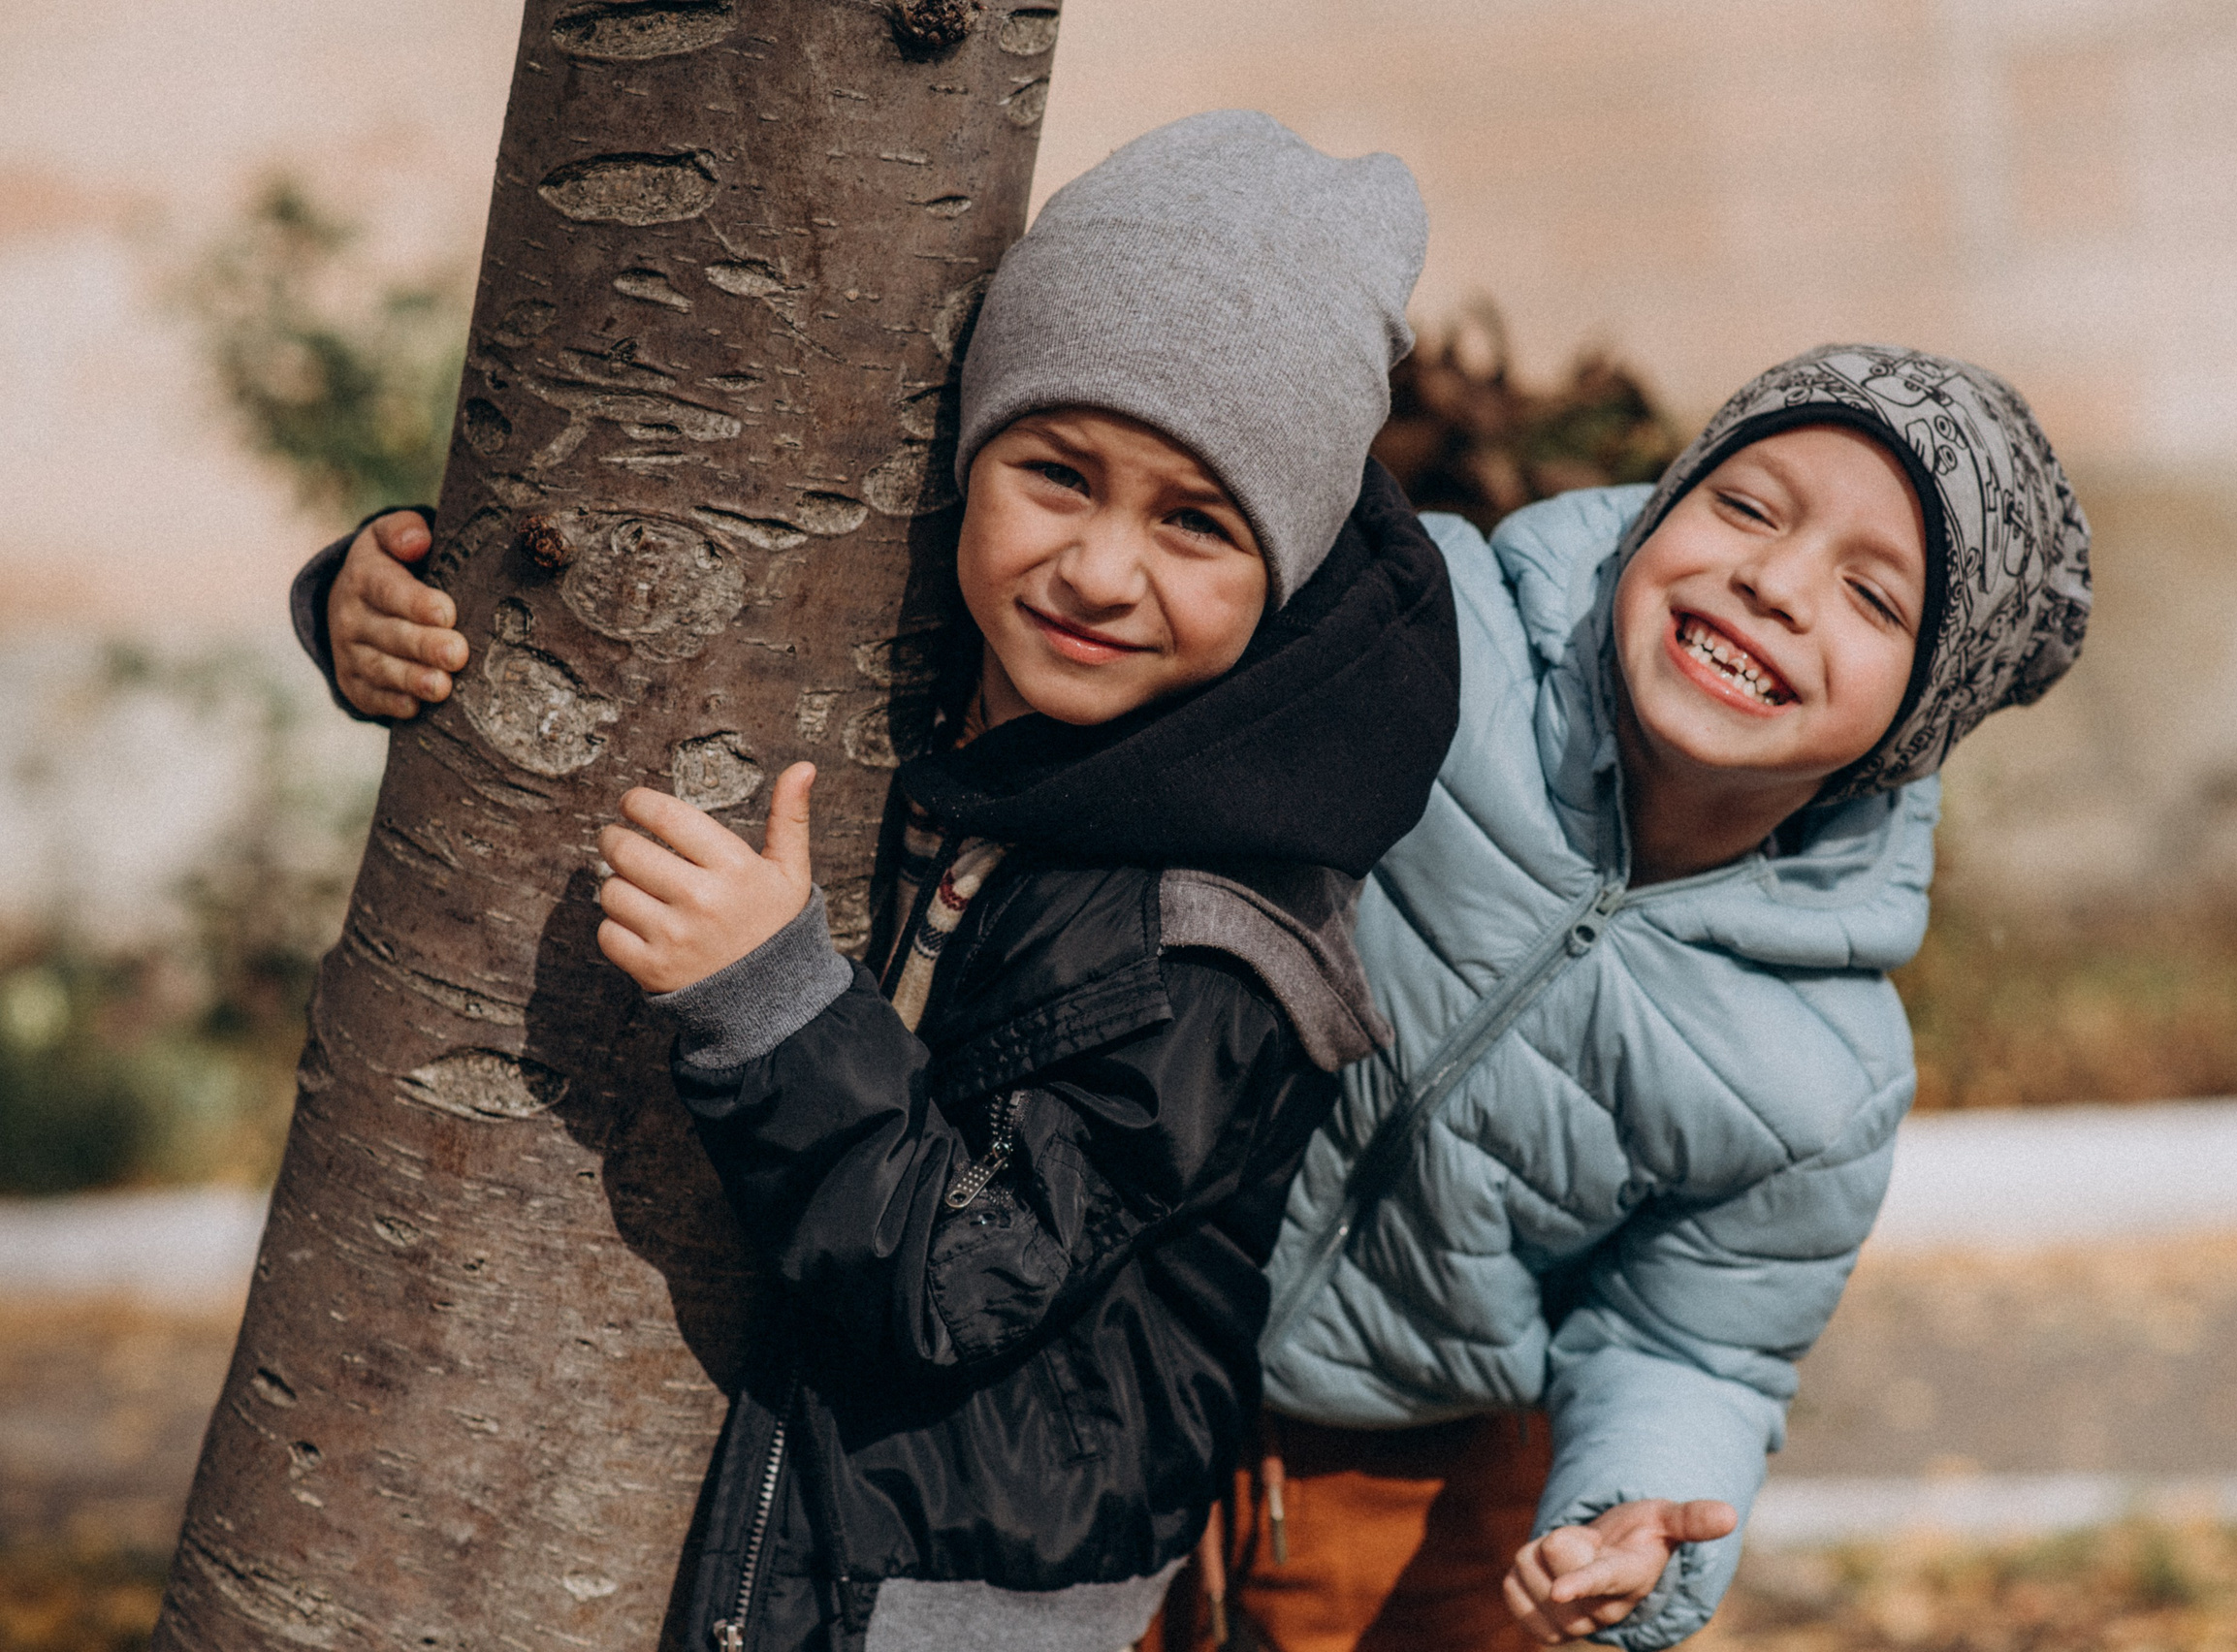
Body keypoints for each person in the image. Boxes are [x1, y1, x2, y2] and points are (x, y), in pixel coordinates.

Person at [289, 111, 1456, 1652]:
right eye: (1056, 474)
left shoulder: (1210, 941)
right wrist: (367, 604)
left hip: (953, 1600)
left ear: (1289, 562)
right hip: (807, 1527)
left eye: (1195, 523)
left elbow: (959, 1270)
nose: (1101, 570)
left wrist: (770, 1001)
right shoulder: (935, 672)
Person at [1150, 344, 2092, 1652]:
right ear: (1660, 506)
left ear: (1913, 727)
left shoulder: (1819, 1071)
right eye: (1746, 507)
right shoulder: (1434, 640)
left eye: (1873, 598)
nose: (1773, 580)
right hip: (1099, 1335)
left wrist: (1630, 1512)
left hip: (1418, 1474)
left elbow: (1693, 1347)